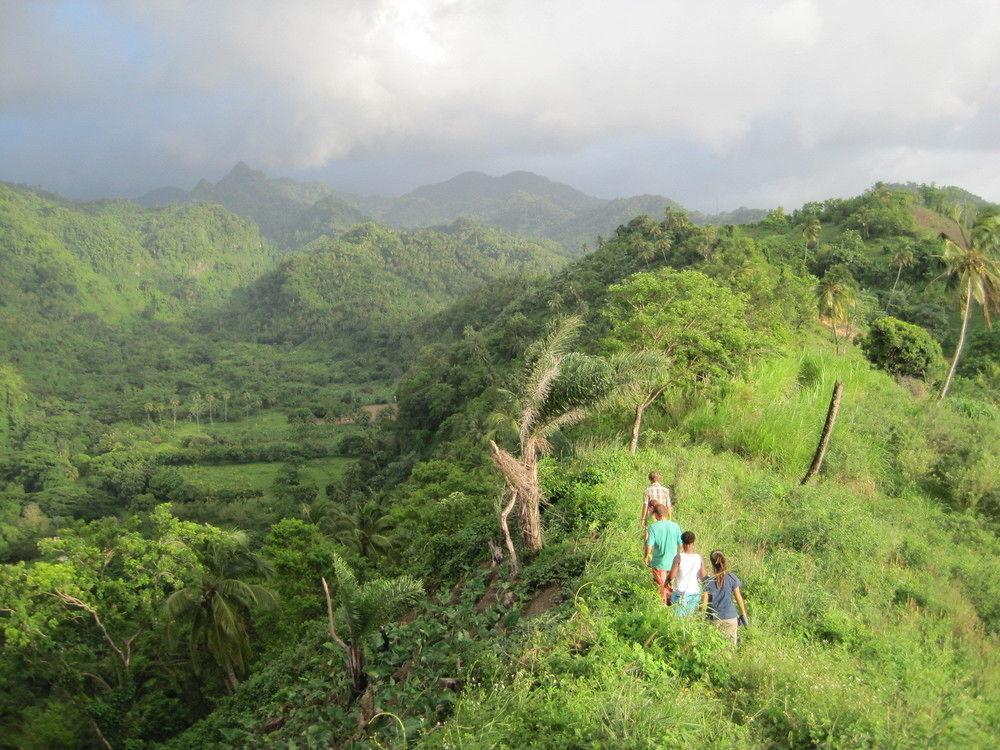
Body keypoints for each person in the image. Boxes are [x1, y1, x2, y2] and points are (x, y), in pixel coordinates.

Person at [703, 550, 749, 646]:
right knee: (729, 650)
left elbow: (704, 604)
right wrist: (743, 615)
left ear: (712, 563)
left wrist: (700, 617)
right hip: (730, 618)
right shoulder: (732, 578)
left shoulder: (707, 581)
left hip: (713, 619)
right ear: (724, 561)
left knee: (713, 649)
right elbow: (739, 599)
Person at [643, 503, 683, 604]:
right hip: (673, 564)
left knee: (661, 588)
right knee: (670, 587)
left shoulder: (653, 527)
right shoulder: (675, 526)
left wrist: (646, 557)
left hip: (659, 563)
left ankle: (662, 608)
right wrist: (679, 557)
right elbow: (681, 545)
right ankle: (672, 607)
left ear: (656, 515)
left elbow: (649, 546)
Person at [669, 530, 704, 616]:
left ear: (683, 543)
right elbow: (703, 576)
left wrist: (667, 581)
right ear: (693, 543)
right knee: (690, 617)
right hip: (695, 592)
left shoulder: (679, 557)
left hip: (681, 592)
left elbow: (672, 576)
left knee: (679, 619)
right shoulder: (699, 558)